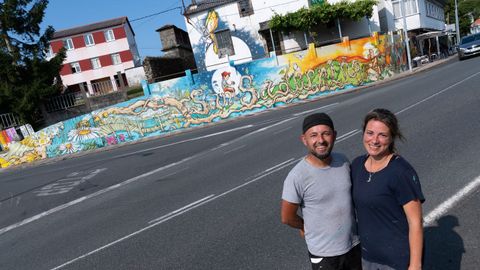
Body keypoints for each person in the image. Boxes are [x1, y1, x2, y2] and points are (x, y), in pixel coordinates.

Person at [281, 113, 362, 270]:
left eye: (326, 133)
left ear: (335, 135)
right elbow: (287, 217)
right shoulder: (297, 176)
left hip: (353, 245)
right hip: (324, 255)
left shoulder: (343, 161)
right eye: (313, 135)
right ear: (304, 140)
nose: (321, 140)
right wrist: (305, 226)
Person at [351, 108, 425, 270]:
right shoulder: (356, 166)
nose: (375, 140)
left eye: (382, 135)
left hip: (396, 260)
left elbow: (416, 222)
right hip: (368, 257)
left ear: (392, 138)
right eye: (370, 133)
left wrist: (415, 265)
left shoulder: (401, 172)